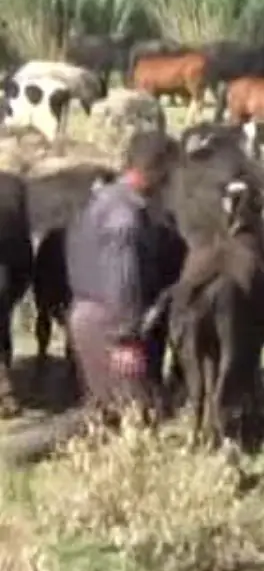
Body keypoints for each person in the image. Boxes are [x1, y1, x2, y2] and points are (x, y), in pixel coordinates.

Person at [64, 131, 178, 421]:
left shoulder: (99, 201)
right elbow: (122, 277)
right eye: (170, 173)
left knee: (105, 414)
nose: (170, 183)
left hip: (86, 315)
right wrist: (126, 340)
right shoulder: (125, 217)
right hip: (110, 322)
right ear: (157, 169)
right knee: (137, 415)